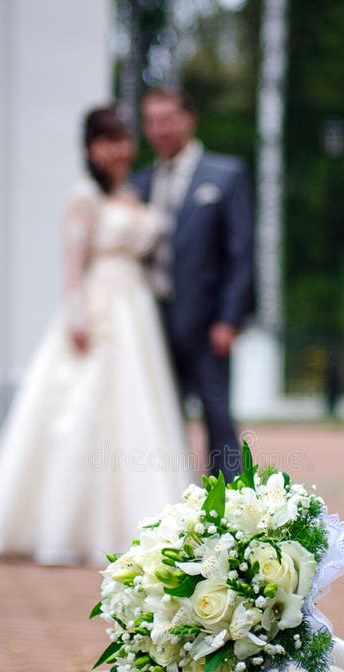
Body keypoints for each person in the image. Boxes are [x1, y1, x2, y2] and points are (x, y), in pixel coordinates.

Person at [0, 105, 189, 566]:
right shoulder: (83, 196)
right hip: (101, 310)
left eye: (124, 139)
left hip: (137, 313)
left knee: (139, 413)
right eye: (109, 141)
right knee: (83, 414)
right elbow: (72, 265)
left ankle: (141, 522)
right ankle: (66, 525)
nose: (119, 150)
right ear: (91, 148)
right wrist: (77, 317)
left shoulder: (131, 192)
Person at [132, 88, 254, 481]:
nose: (159, 129)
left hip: (206, 325)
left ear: (189, 119)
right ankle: (171, 498)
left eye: (167, 119)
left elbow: (241, 254)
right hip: (153, 323)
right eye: (151, 121)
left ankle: (228, 507)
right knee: (160, 417)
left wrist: (229, 319)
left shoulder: (225, 175)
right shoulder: (140, 183)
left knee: (217, 417)